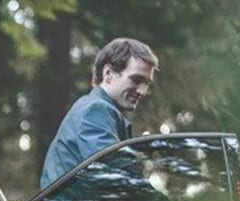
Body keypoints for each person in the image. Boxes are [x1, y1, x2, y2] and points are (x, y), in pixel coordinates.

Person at [40, 38, 158, 189]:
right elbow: (120, 178)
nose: (142, 91)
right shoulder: (95, 110)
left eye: (146, 83)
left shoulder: (101, 111)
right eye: (136, 80)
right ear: (108, 73)